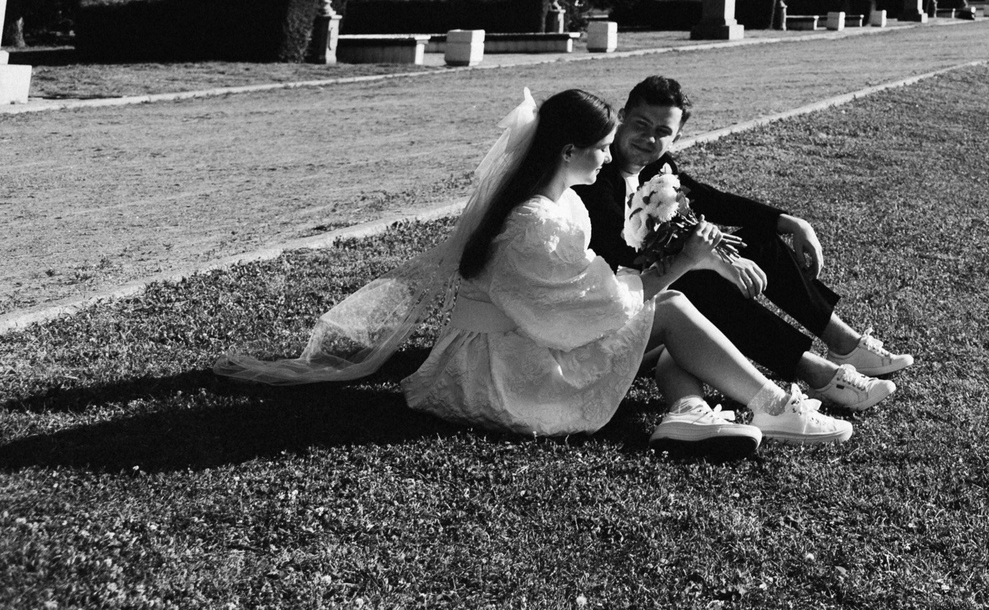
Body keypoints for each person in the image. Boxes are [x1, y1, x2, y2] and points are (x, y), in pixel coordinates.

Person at [219, 88, 855, 457]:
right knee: (671, 309)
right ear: (568, 151)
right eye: (603, 147)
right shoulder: (532, 221)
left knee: (668, 317)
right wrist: (683, 262)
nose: (609, 159)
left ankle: (689, 407)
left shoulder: (566, 201)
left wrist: (679, 255)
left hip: (532, 335)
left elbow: (590, 298)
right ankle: (772, 405)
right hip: (499, 369)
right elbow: (591, 307)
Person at [575, 76, 912, 415]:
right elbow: (618, 252)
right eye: (641, 125)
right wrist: (711, 260)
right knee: (702, 282)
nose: (649, 138)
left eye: (663, 131)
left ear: (676, 136)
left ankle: (844, 343)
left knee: (761, 241)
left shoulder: (659, 167)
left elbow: (707, 198)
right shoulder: (594, 174)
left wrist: (789, 221)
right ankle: (814, 370)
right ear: (621, 117)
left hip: (662, 286)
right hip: (627, 303)